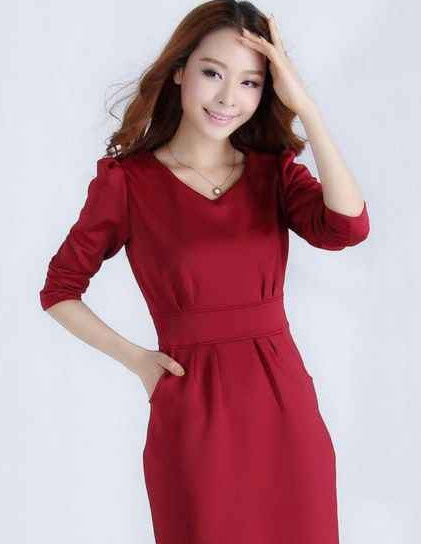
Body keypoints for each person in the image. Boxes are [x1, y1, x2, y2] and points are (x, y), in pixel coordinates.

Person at [39, 1, 370, 542]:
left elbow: (349, 227)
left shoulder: (273, 174)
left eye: (251, 82)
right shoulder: (128, 183)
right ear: (179, 71)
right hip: (193, 414)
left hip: (285, 411)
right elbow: (59, 290)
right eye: (213, 73)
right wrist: (139, 361)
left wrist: (307, 108)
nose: (227, 98)